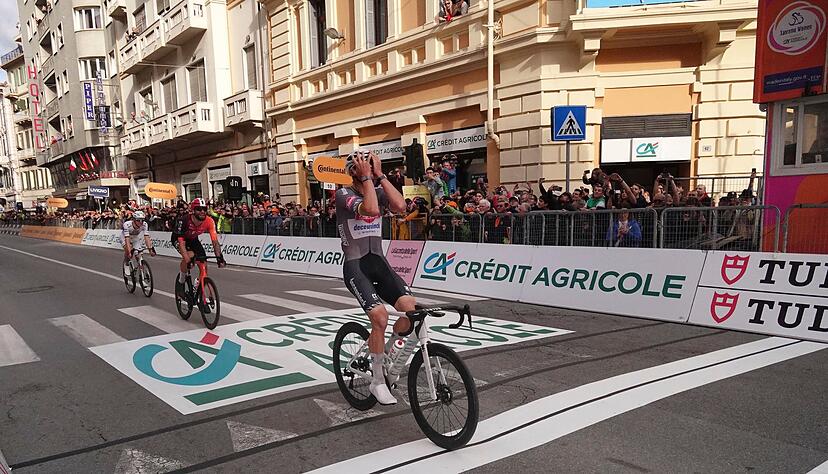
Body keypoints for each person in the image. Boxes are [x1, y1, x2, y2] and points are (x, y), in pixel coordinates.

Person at [336, 150, 417, 405]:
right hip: (356, 266)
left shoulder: (377, 186)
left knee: (412, 312)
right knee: (380, 317)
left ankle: (386, 354)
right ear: (355, 172)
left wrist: (380, 176)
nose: (368, 171)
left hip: (379, 263)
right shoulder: (343, 195)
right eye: (365, 168)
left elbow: (401, 206)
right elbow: (370, 209)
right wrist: (367, 179)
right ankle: (377, 380)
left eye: (371, 167)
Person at [172, 198, 226, 303]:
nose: (202, 212)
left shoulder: (209, 221)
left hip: (193, 239)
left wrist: (220, 257)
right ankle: (181, 282)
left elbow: (215, 241)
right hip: (180, 239)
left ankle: (199, 286)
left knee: (204, 264)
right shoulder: (183, 221)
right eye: (198, 209)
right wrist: (187, 260)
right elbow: (182, 244)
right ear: (192, 210)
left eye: (204, 209)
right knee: (190, 256)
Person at [122, 210, 156, 276]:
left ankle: (142, 275)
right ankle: (126, 264)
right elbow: (127, 239)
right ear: (134, 220)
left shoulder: (145, 224)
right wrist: (129, 251)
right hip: (125, 237)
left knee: (139, 255)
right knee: (129, 252)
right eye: (138, 220)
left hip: (135, 237)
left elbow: (146, 237)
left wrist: (150, 249)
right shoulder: (127, 224)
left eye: (142, 220)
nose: (141, 222)